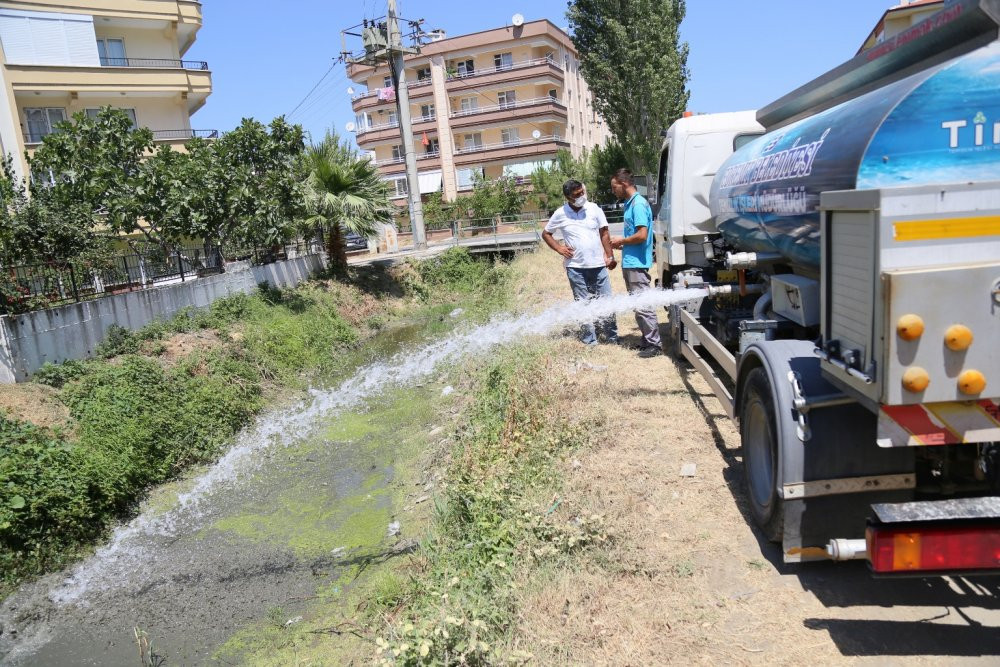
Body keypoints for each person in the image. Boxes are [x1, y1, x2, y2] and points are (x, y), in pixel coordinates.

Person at [541, 179, 619, 346]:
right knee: (583, 304)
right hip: (575, 268)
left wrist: (609, 256)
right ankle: (590, 339)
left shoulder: (594, 209)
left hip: (598, 266)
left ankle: (611, 337)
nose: (581, 196)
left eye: (582, 192)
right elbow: (546, 233)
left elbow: (604, 233)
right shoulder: (560, 213)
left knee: (606, 301)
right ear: (568, 197)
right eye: (577, 195)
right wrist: (559, 248)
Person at [610, 168, 662, 358]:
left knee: (643, 303)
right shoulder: (629, 204)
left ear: (624, 185)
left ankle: (654, 345)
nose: (613, 191)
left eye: (614, 187)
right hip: (631, 260)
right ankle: (647, 340)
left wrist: (621, 241)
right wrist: (623, 246)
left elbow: (641, 235)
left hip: (637, 263)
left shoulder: (638, 205)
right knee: (637, 303)